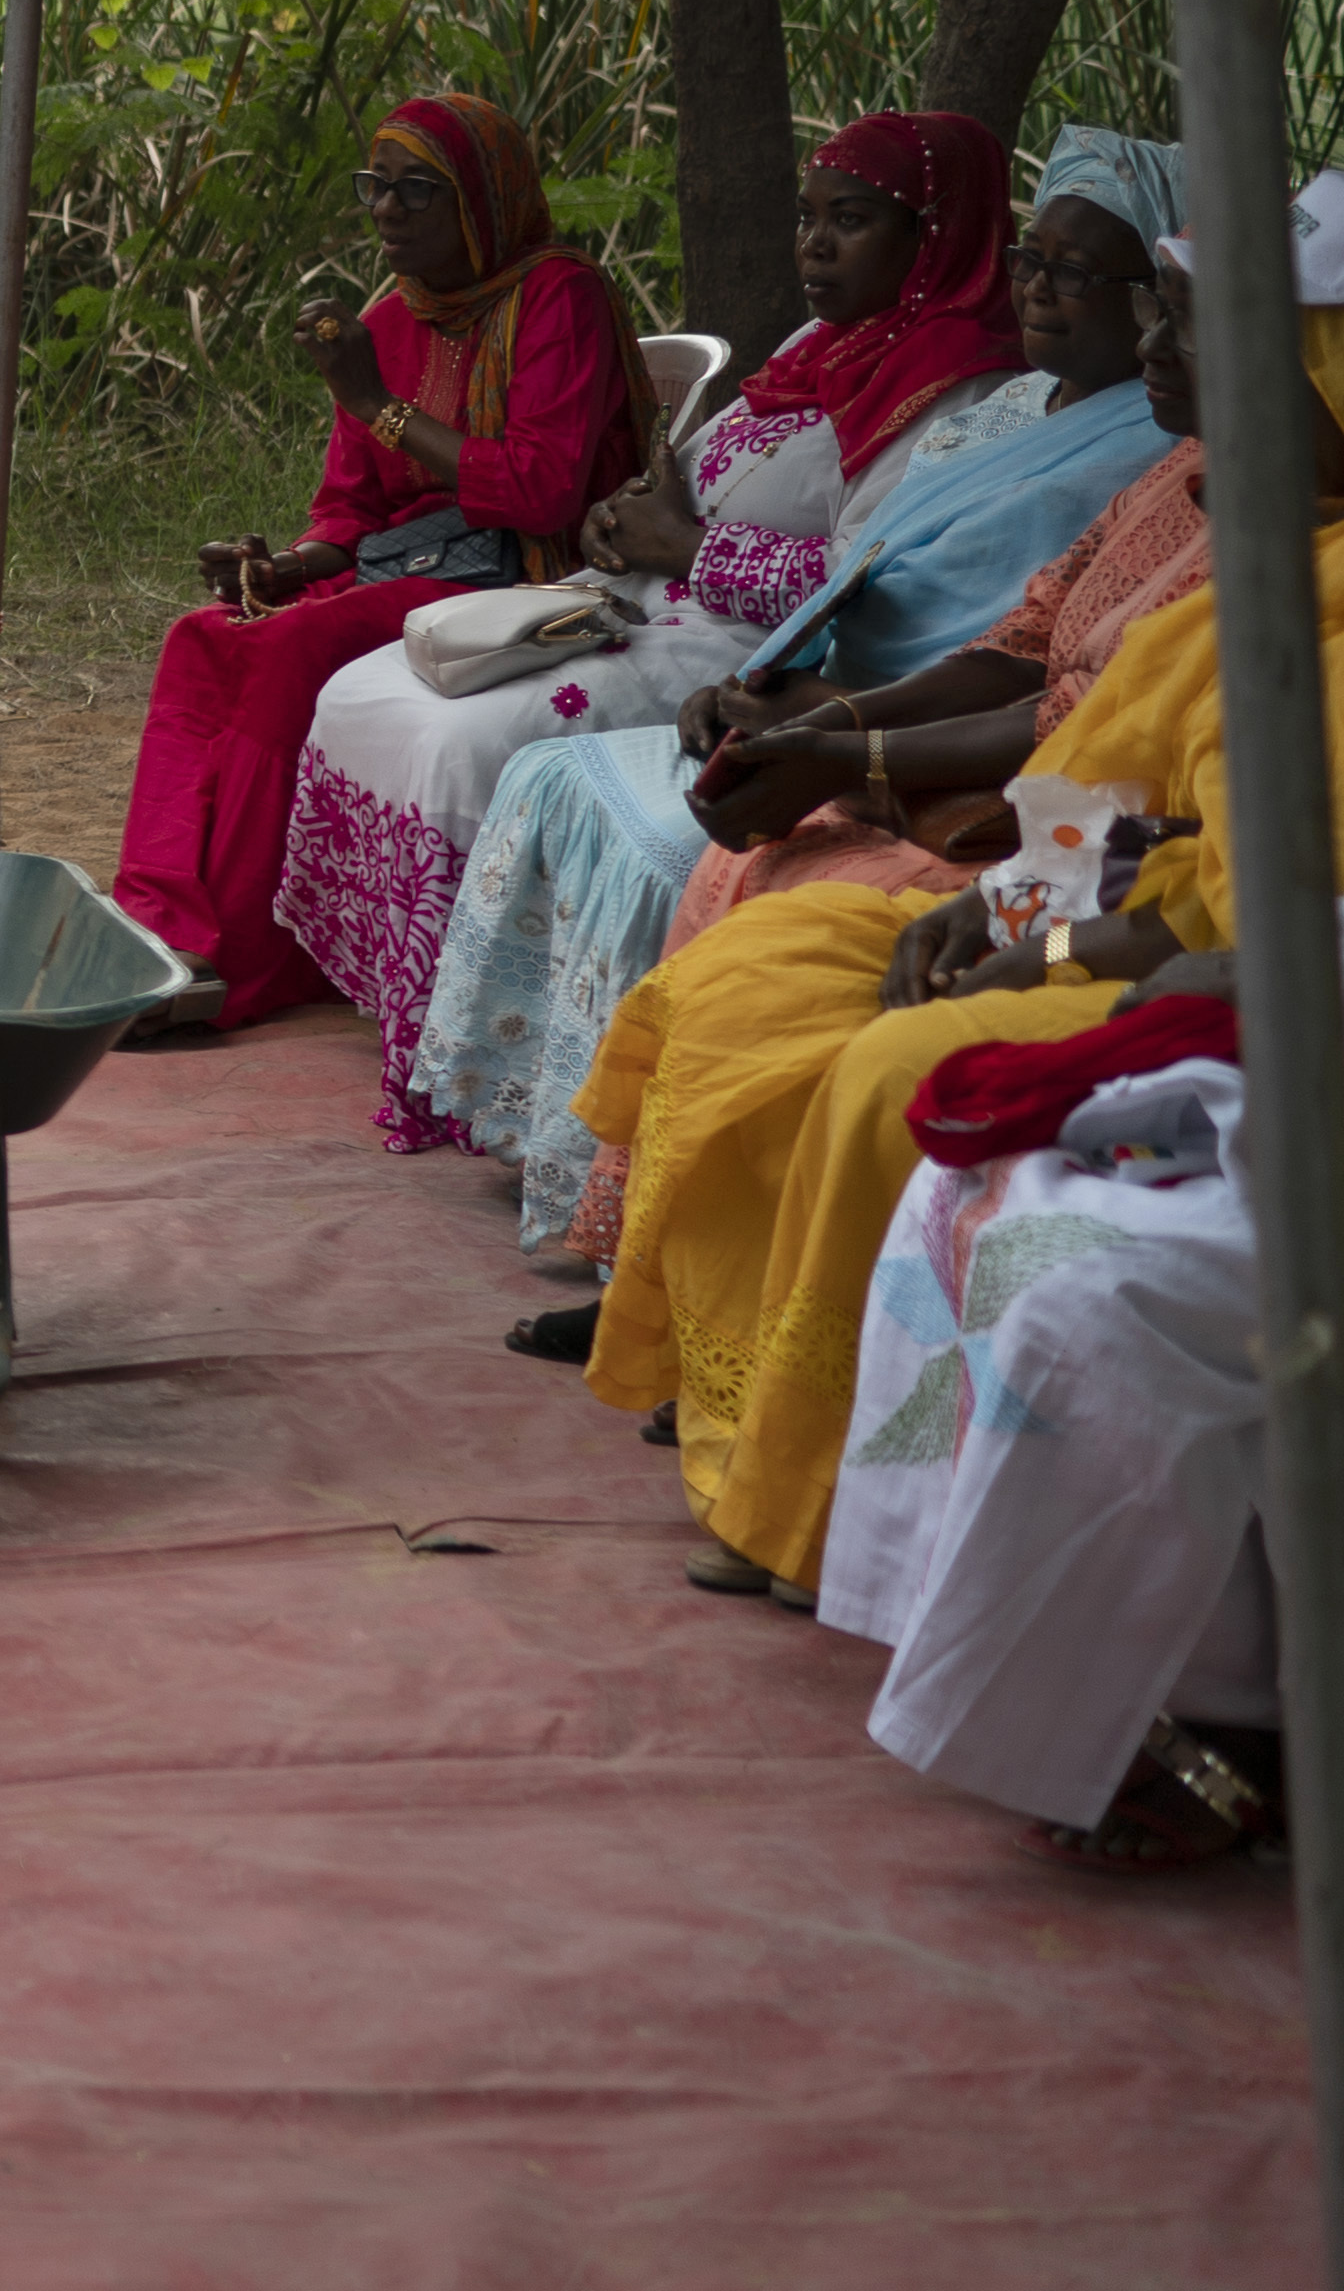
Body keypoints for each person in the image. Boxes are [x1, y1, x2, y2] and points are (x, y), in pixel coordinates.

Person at [571, 175, 1344, 1604]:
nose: (1169, 358)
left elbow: (1241, 909)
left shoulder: (1315, 614)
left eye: (1202, 334)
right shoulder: (1224, 536)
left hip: (1225, 995)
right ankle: (733, 1378)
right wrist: (980, 907)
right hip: (1085, 900)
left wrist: (1022, 946)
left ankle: (825, 1501)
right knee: (745, 976)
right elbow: (1105, 792)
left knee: (887, 1068)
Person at [407, 133, 1187, 1260]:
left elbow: (1075, 719)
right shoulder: (1064, 432)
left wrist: (843, 745)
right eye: (1034, 259)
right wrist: (815, 714)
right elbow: (1003, 633)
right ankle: (643, 1219)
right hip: (909, 728)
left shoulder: (1162, 475)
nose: (1043, 291)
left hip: (1073, 840)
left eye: (1108, 285)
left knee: (789, 955)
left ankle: (709, 1244)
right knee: (672, 850)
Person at [283, 111, 1036, 1137]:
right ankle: (417, 1019)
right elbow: (700, 472)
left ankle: (480, 1064)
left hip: (739, 642)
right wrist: (628, 515)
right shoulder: (826, 342)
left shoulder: (955, 393)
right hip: (644, 592)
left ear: (936, 234)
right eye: (808, 217)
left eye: (851, 220)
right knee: (361, 694)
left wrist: (682, 546)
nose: (814, 245)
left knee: (465, 740)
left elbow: (870, 581)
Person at [107, 95, 651, 1024]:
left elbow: (541, 490)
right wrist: (288, 568)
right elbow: (352, 510)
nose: (387, 212)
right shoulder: (390, 318)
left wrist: (376, 403)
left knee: (282, 656)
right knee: (204, 635)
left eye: (417, 192)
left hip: (521, 570)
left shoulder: (559, 295)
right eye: (376, 188)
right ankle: (156, 924)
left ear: (484, 200)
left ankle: (239, 957)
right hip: (411, 566)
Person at [816, 987, 1284, 1869]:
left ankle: (1218, 1704)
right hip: (1159, 965)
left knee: (1080, 1300)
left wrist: (1067, 945)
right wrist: (1001, 916)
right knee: (940, 1144)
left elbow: (1162, 902)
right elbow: (1130, 872)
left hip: (1199, 983)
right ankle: (778, 1489)